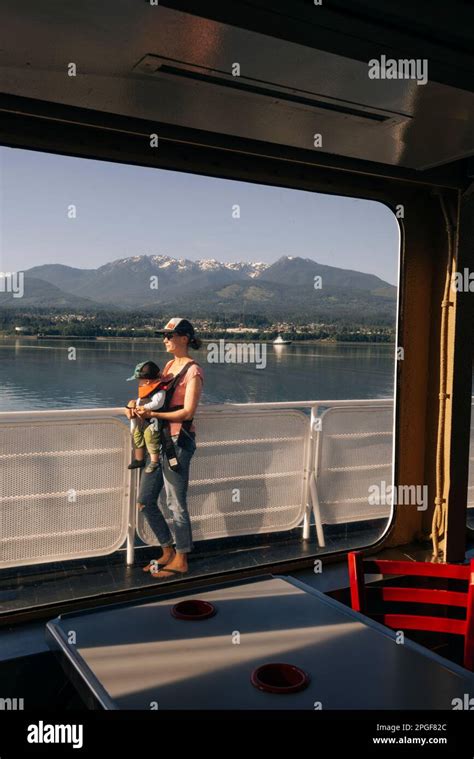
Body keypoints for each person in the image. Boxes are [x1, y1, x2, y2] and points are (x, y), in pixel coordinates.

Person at [136, 318, 204, 579]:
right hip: (160, 441)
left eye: (170, 335)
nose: (165, 340)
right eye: (164, 336)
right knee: (145, 501)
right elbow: (157, 399)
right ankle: (167, 550)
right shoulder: (168, 366)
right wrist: (137, 406)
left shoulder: (193, 371)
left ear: (185, 338)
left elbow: (187, 412)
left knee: (176, 503)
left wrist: (156, 416)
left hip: (178, 442)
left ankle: (182, 558)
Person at [125, 360, 167, 474]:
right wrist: (134, 405)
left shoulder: (159, 391)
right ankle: (139, 459)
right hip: (140, 421)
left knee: (151, 438)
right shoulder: (144, 393)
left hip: (152, 422)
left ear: (147, 381)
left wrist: (145, 407)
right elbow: (139, 401)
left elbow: (158, 403)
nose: (139, 384)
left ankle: (154, 461)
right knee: (137, 436)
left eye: (140, 381)